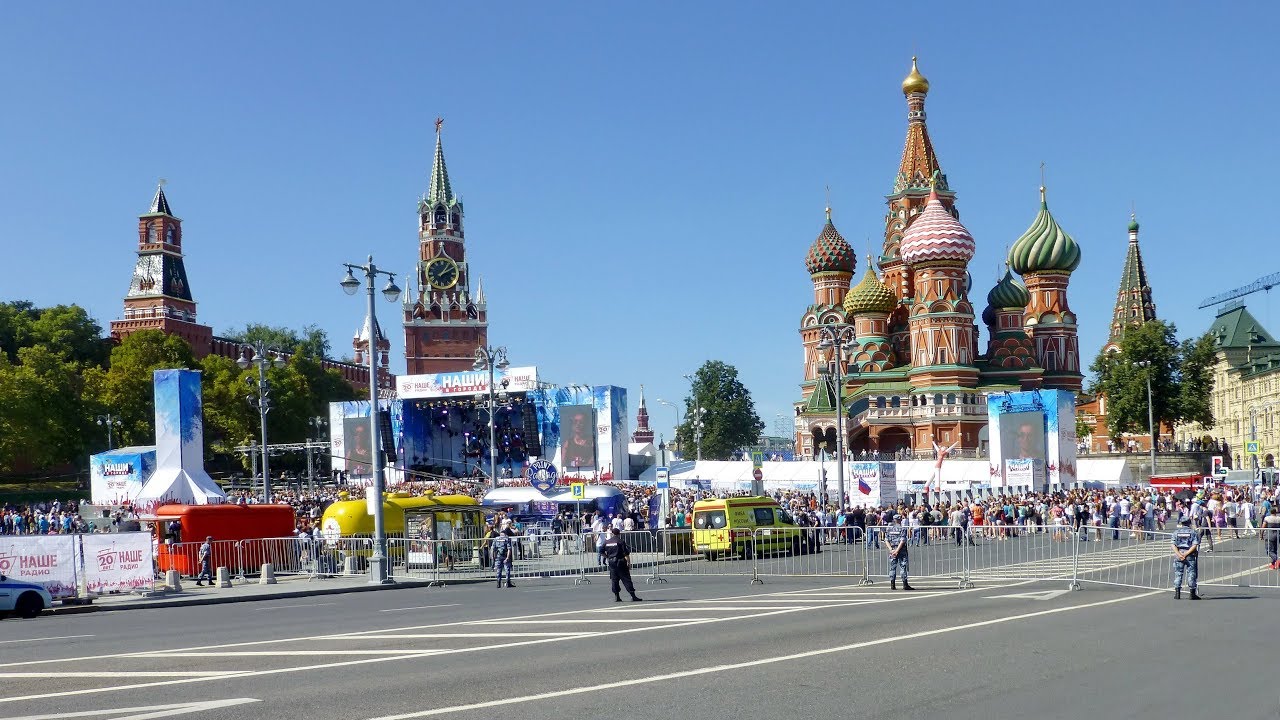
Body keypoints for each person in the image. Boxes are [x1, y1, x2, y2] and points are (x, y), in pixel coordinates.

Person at [600, 526, 641, 602]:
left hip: (612, 562)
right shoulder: (620, 541)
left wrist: (608, 557)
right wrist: (629, 563)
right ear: (619, 533)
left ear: (612, 533)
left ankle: (617, 596)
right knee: (626, 579)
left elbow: (601, 551)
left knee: (614, 579)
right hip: (620, 561)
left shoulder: (607, 542)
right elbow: (625, 553)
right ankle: (633, 596)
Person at [1171, 516, 1200, 600]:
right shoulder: (1193, 532)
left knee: (1178, 573)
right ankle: (1192, 593)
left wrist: (1179, 554)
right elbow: (1195, 544)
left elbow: (1173, 544)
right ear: (1189, 522)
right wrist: (1187, 553)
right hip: (1190, 554)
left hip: (1179, 553)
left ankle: (1177, 593)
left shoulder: (1176, 532)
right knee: (1191, 573)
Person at [884, 515, 912, 591]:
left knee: (892, 567)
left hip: (892, 549)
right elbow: (902, 540)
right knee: (903, 566)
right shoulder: (902, 529)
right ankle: (905, 584)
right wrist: (897, 550)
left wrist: (891, 550)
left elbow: (886, 540)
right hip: (901, 550)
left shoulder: (889, 528)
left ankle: (892, 584)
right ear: (900, 520)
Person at [492, 520, 516, 588]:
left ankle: (498, 583)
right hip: (505, 556)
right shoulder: (506, 539)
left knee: (498, 570)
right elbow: (509, 549)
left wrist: (494, 557)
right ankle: (508, 583)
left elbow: (493, 549)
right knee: (507, 570)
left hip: (498, 556)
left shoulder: (496, 539)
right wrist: (508, 557)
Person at [1262, 504, 1280, 569]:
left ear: (1270, 512)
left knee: (1269, 550)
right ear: (1275, 512)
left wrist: (1261, 535)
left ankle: (1277, 560)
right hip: (1277, 536)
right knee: (1274, 550)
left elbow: (1263, 527)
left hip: (1270, 536)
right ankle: (1273, 564)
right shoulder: (1278, 518)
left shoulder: (1267, 518)